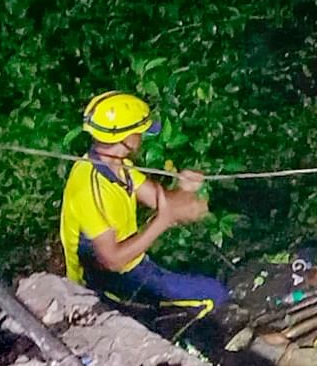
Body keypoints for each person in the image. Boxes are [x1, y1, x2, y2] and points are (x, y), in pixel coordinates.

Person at [60, 91, 228, 336]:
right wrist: (164, 221)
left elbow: (160, 200)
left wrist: (184, 189)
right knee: (212, 295)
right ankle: (171, 339)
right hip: (106, 282)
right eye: (139, 132)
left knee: (200, 287)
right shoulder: (89, 188)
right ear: (127, 138)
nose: (142, 137)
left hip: (134, 265)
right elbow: (111, 260)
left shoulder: (119, 167)